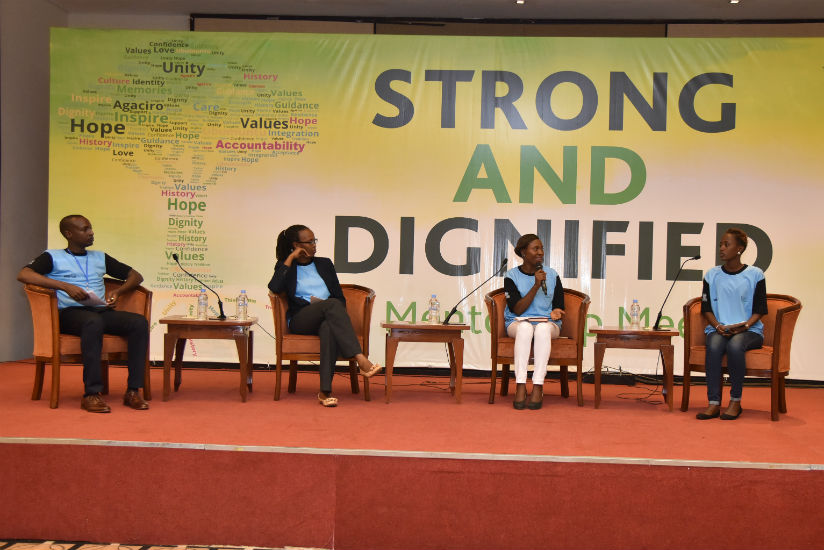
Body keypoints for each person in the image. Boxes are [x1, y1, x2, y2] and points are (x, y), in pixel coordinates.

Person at [17, 215, 150, 413]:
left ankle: (133, 391)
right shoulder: (52, 257)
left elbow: (136, 276)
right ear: (69, 234)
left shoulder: (100, 257)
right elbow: (24, 274)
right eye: (85, 229)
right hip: (68, 314)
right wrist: (64, 286)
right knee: (92, 322)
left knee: (138, 322)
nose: (91, 233)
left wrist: (118, 291)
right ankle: (91, 394)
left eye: (90, 228)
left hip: (99, 310)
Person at [267, 224, 382, 407]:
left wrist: (328, 308)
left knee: (329, 325)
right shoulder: (286, 266)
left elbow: (339, 297)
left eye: (315, 240)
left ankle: (324, 392)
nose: (314, 245)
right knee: (332, 304)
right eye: (309, 242)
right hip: (301, 319)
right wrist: (289, 258)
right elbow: (274, 287)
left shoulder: (325, 264)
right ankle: (360, 358)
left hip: (328, 315)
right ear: (296, 245)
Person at [696, 228, 767, 421]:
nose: (721, 248)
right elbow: (706, 308)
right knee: (714, 345)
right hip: (719, 329)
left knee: (735, 345)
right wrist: (718, 326)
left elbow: (760, 308)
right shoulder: (712, 275)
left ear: (739, 249)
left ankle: (735, 401)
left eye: (726, 244)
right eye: (721, 244)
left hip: (749, 330)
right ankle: (713, 403)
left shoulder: (755, 274)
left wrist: (745, 326)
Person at [503, 234, 565, 410]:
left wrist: (557, 311)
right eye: (535, 248)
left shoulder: (552, 275)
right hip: (517, 322)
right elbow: (517, 309)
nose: (540, 252)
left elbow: (559, 305)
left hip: (547, 323)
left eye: (542, 248)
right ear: (523, 252)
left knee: (542, 329)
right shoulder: (511, 276)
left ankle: (538, 385)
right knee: (525, 328)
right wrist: (536, 285)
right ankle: (520, 385)